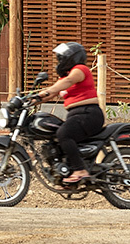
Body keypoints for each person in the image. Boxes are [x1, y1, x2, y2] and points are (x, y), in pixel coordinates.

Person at [36, 41, 102, 184]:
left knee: (63, 133)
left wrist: (47, 91)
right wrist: (30, 100)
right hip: (77, 115)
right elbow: (51, 94)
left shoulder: (80, 70)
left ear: (71, 58)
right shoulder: (64, 79)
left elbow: (67, 82)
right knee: (55, 135)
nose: (59, 61)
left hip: (88, 114)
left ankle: (80, 170)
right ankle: (67, 170)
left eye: (61, 58)